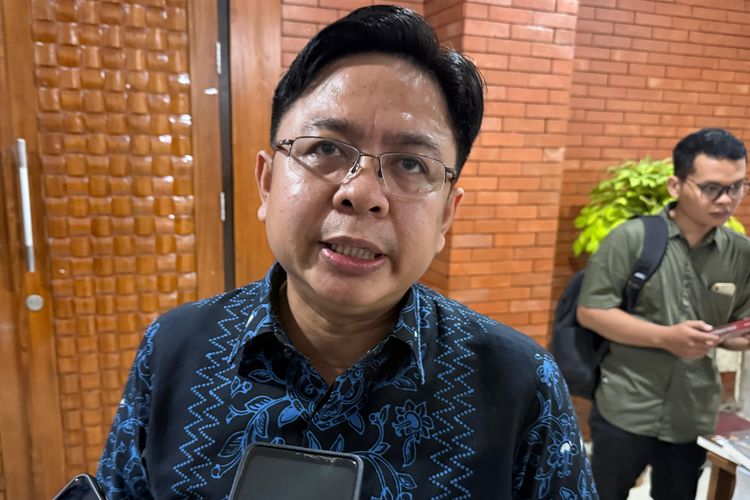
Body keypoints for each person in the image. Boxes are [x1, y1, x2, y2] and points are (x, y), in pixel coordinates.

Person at [97, 5, 595, 498]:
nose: (362, 193)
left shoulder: (521, 384)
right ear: (267, 183)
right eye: (326, 149)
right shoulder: (173, 349)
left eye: (411, 164)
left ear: (446, 214)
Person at [577, 127, 750, 500]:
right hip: (627, 403)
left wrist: (734, 337)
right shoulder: (631, 238)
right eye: (712, 188)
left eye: (737, 187)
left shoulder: (741, 253)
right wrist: (667, 337)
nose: (727, 199)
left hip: (692, 411)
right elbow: (592, 310)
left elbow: (736, 331)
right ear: (676, 185)